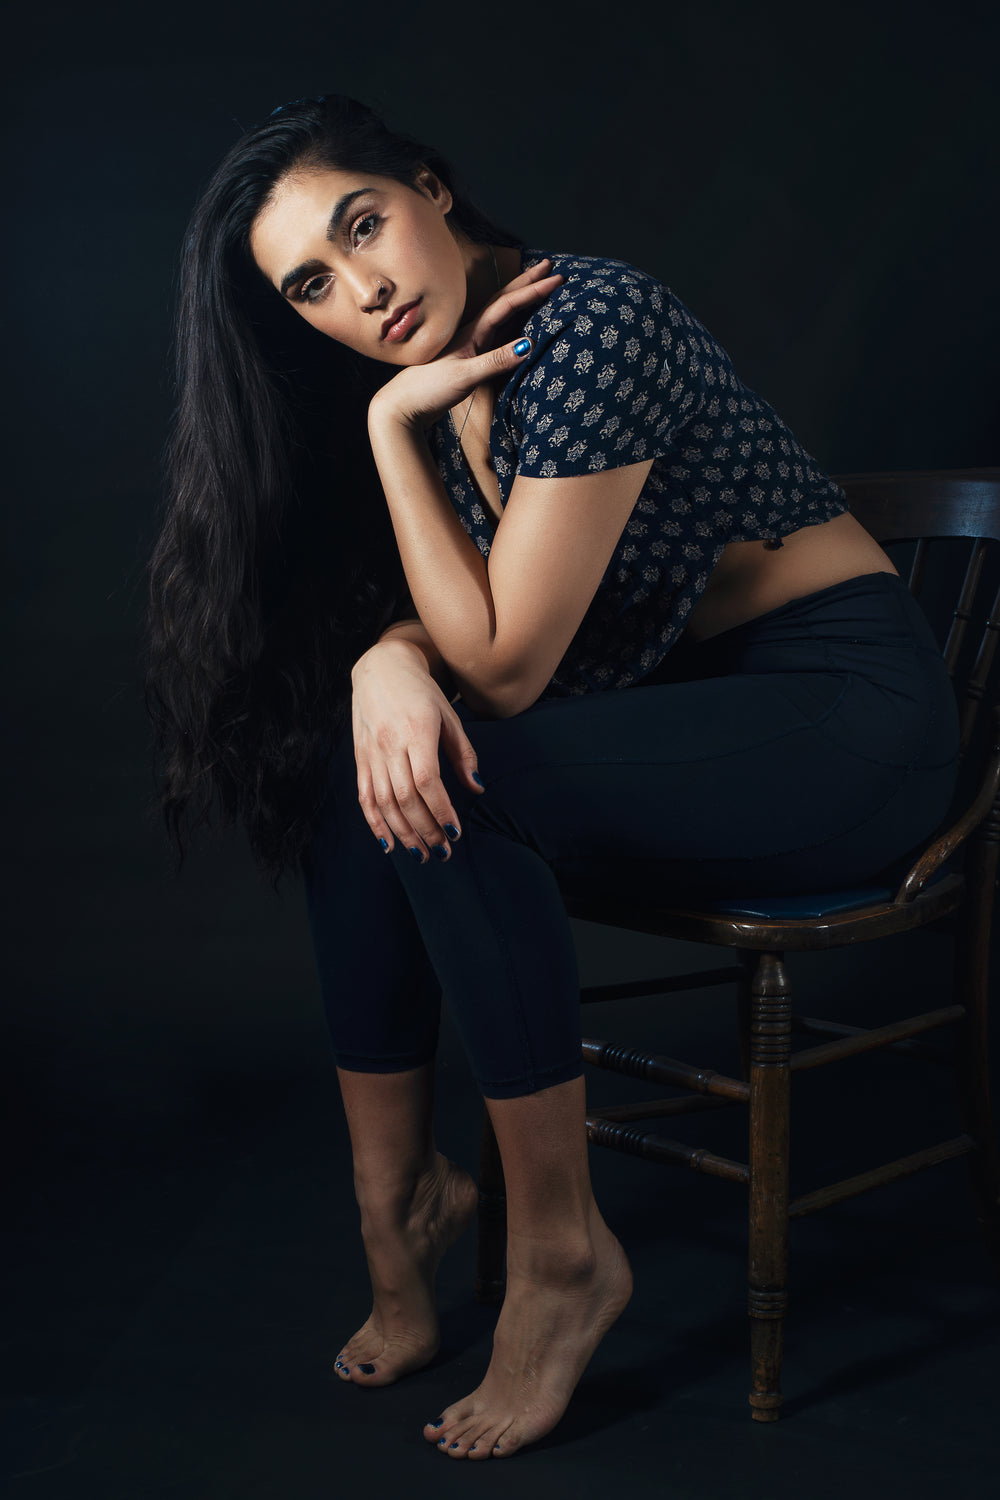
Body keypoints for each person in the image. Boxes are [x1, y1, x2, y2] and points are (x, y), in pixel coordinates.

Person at [147, 94, 960, 1460]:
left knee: (464, 779)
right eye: (314, 283)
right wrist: (383, 666)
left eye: (365, 225)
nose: (365, 288)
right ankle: (394, 1202)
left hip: (848, 728)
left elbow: (513, 668)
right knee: (374, 776)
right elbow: (484, 632)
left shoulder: (584, 323)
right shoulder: (468, 366)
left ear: (431, 190)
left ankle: (561, 1252)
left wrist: (390, 435)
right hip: (713, 726)